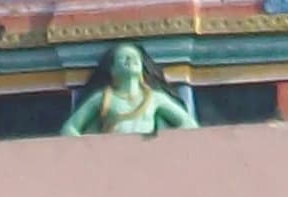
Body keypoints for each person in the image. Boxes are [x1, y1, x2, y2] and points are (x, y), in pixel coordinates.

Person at [61, 41, 197, 136]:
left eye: (135, 57)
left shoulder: (155, 98)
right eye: (123, 58)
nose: (130, 60)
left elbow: (188, 124)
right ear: (112, 69)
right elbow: (69, 128)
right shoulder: (102, 98)